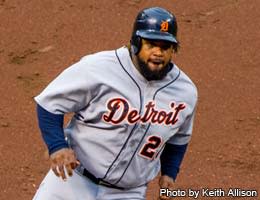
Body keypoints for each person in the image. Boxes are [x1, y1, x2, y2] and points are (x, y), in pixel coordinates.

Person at [32, 6, 198, 200]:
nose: (158, 52)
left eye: (165, 46)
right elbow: (50, 103)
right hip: (72, 182)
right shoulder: (98, 68)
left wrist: (169, 173)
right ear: (136, 43)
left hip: (128, 193)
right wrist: (57, 146)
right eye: (151, 44)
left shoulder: (185, 92)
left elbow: (179, 139)